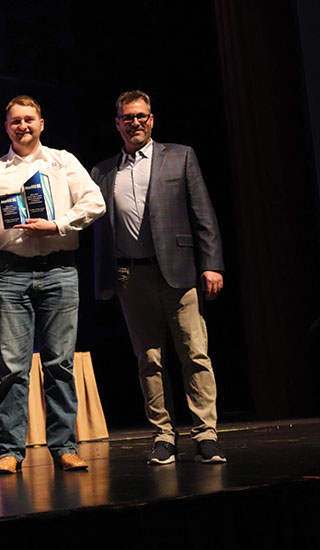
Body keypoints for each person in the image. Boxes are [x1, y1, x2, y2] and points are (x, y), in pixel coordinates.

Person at [91, 90, 226, 465]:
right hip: (131, 277)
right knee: (149, 359)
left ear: (151, 119)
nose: (135, 122)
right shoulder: (103, 172)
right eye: (128, 117)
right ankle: (164, 435)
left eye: (141, 116)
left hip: (179, 272)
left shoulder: (180, 156)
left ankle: (206, 434)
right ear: (117, 123)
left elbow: (203, 214)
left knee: (194, 353)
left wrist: (212, 264)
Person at [0, 95, 105, 473]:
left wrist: (58, 225)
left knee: (59, 364)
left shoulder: (62, 162)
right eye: (15, 121)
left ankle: (64, 446)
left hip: (59, 270)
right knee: (13, 368)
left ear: (41, 123)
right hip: (11, 273)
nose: (23, 126)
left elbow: (95, 203)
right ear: (6, 127)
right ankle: (10, 451)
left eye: (28, 120)